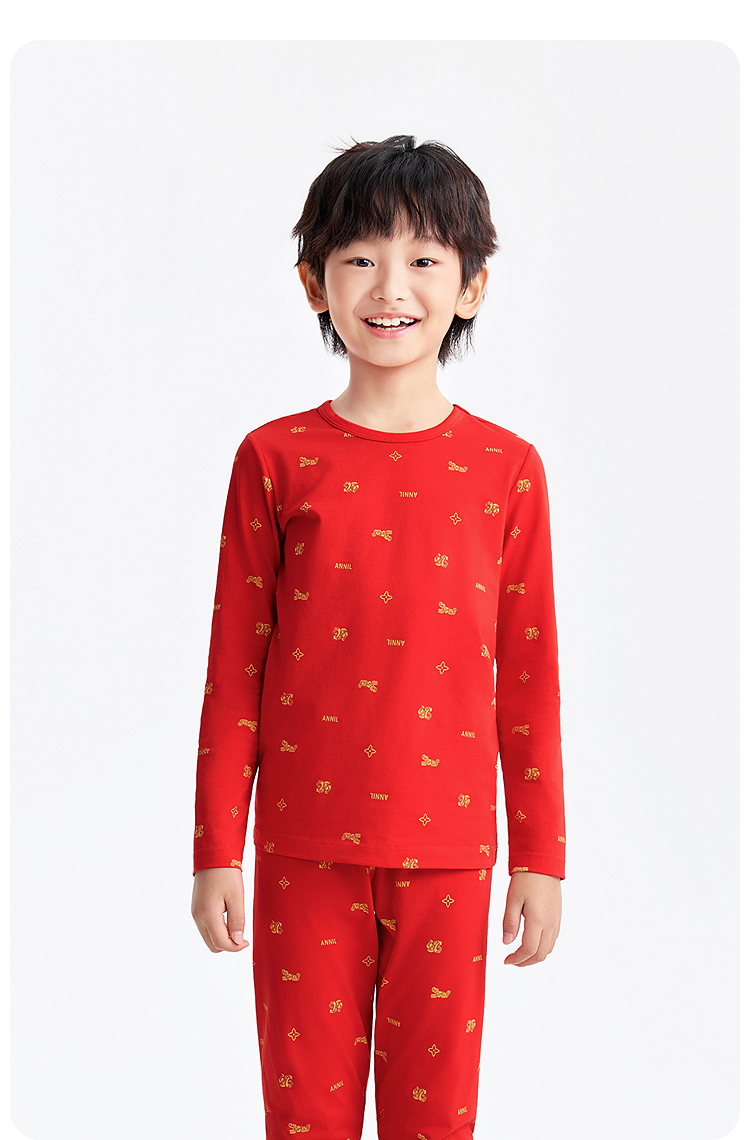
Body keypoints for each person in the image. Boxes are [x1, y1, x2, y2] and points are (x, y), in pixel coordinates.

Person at [190, 134, 566, 1139]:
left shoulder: (508, 470)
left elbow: (530, 681)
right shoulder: (274, 459)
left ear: (471, 287)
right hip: (302, 853)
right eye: (360, 256)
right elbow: (234, 671)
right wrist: (217, 847)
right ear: (314, 282)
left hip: (450, 852)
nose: (390, 286)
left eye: (423, 258)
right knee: (303, 1120)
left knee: (435, 1124)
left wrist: (541, 856)